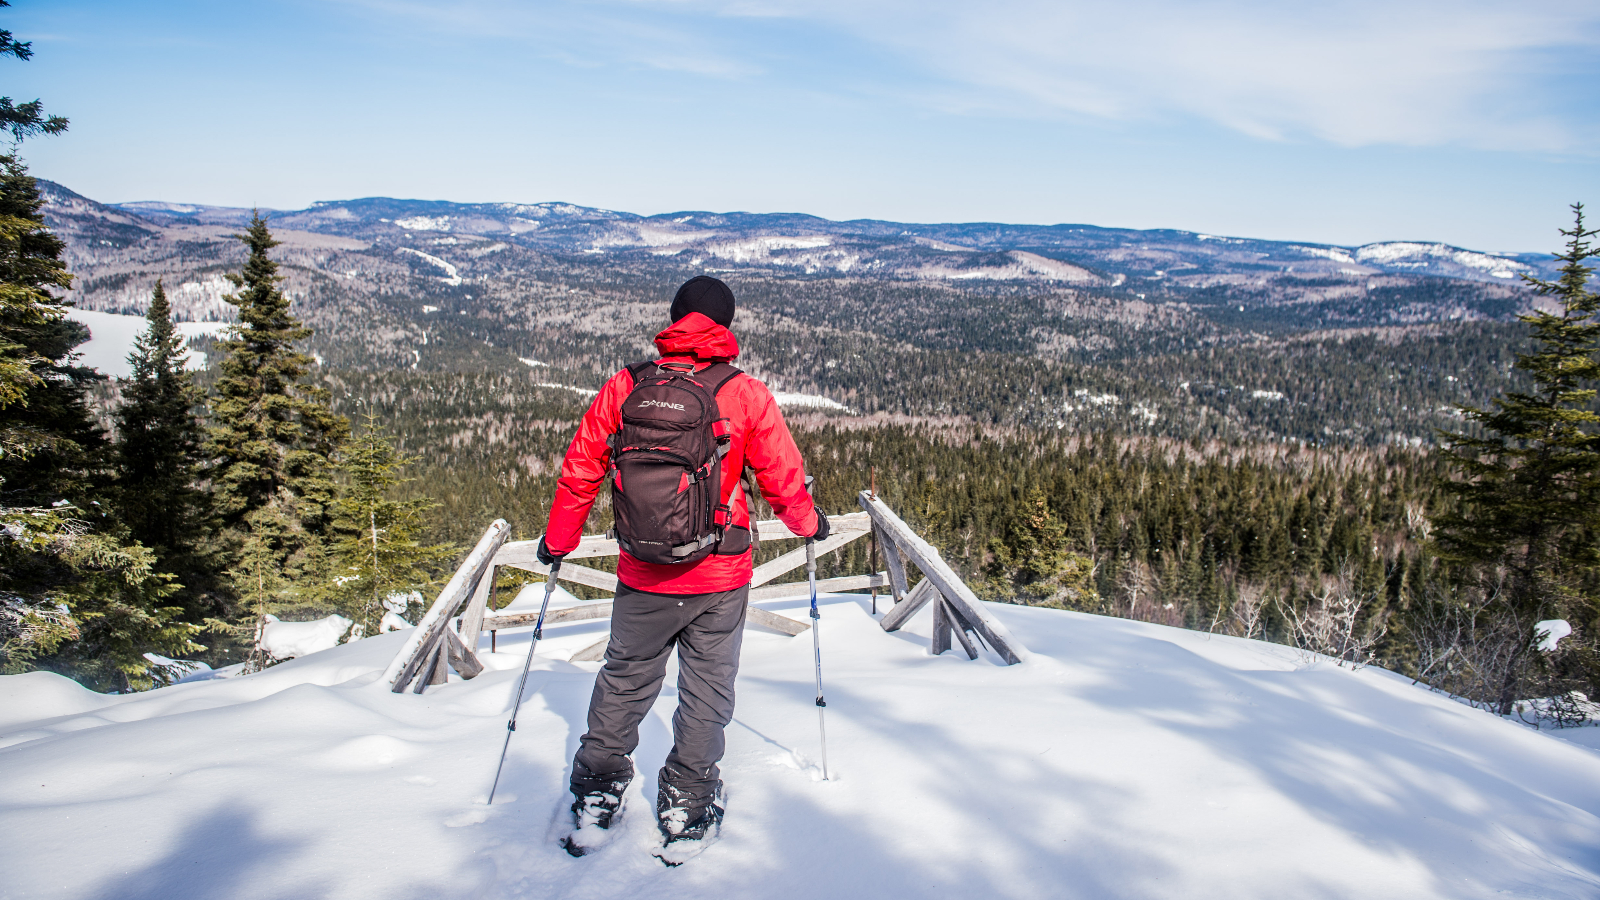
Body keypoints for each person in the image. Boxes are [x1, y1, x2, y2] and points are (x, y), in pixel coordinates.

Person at [536, 275, 828, 858]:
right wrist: (808, 525)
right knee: (706, 691)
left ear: (673, 321)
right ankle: (687, 805)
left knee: (624, 679)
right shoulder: (743, 393)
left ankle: (596, 792)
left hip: (642, 571)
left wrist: (559, 540)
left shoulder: (626, 385)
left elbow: (581, 469)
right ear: (726, 326)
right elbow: (780, 476)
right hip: (719, 575)